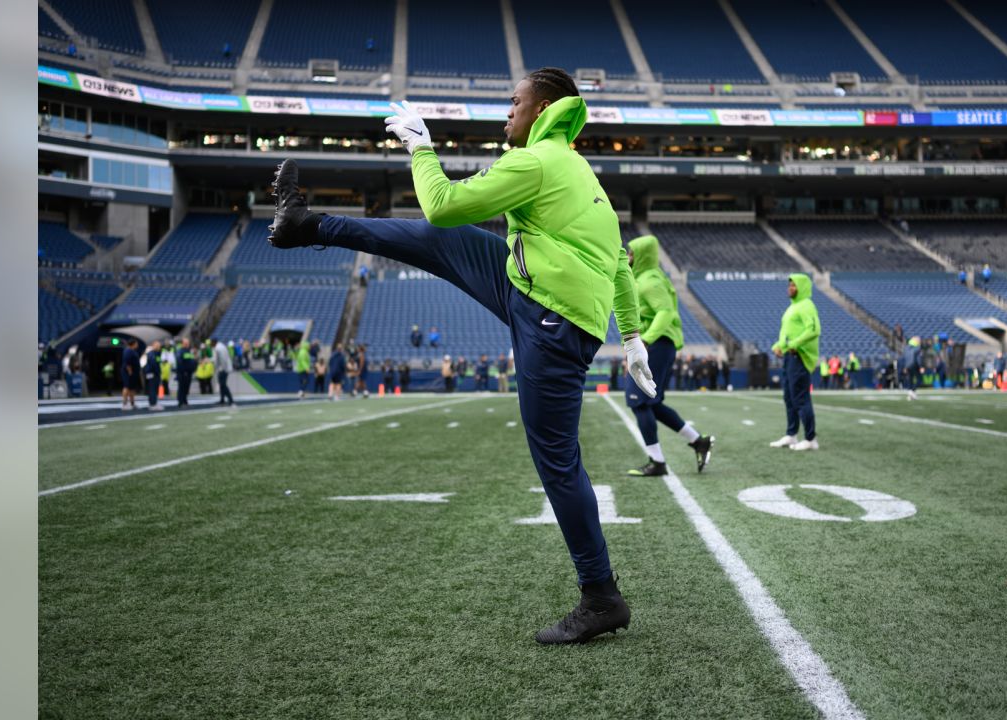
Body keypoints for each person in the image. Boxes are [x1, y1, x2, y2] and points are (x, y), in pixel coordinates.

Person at [266, 67, 654, 644]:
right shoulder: (573, 168)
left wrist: (421, 148)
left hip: (551, 319)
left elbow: (443, 203)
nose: (508, 113)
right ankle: (306, 224)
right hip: (539, 296)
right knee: (440, 243)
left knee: (557, 459)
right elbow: (620, 260)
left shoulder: (536, 162)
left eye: (515, 103)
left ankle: (601, 596)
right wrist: (630, 336)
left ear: (543, 106)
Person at [622, 234, 715, 476]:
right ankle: (698, 441)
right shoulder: (646, 278)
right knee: (652, 403)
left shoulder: (649, 281)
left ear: (641, 255)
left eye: (631, 253)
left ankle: (658, 462)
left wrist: (645, 340)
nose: (628, 257)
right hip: (660, 345)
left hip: (657, 345)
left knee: (637, 401)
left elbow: (664, 312)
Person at [769, 273, 821, 450]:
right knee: (789, 398)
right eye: (789, 285)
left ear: (802, 287)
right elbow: (788, 334)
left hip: (800, 357)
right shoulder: (792, 307)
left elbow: (814, 330)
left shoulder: (806, 305)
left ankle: (810, 439)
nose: (790, 288)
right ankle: (792, 435)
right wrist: (778, 345)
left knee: (800, 398)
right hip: (789, 357)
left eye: (794, 285)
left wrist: (794, 344)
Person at [175, 338, 196, 407]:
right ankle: (181, 402)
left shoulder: (189, 351)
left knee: (186, 388)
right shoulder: (180, 351)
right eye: (185, 343)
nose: (187, 344)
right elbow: (179, 362)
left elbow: (192, 361)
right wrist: (183, 371)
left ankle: (185, 400)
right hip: (182, 373)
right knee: (182, 388)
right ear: (182, 344)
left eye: (188, 343)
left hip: (189, 373)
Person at [119, 339, 140, 411]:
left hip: (133, 372)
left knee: (132, 388)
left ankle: (132, 403)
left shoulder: (133, 351)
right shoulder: (128, 351)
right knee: (127, 387)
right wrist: (130, 371)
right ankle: (124, 404)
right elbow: (127, 362)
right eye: (136, 343)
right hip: (128, 372)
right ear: (133, 344)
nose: (137, 345)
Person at [214, 338, 234, 406]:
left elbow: (222, 359)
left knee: (223, 384)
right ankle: (222, 399)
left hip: (223, 368)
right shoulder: (221, 346)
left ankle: (230, 399)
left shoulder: (218, 348)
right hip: (224, 368)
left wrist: (222, 368)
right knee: (222, 385)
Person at [902, 336, 922, 400]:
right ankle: (912, 391)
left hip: (908, 366)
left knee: (910, 380)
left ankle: (910, 395)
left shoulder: (906, 348)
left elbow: (905, 358)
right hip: (914, 365)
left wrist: (905, 366)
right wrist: (921, 366)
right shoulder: (917, 348)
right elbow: (918, 358)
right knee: (919, 380)